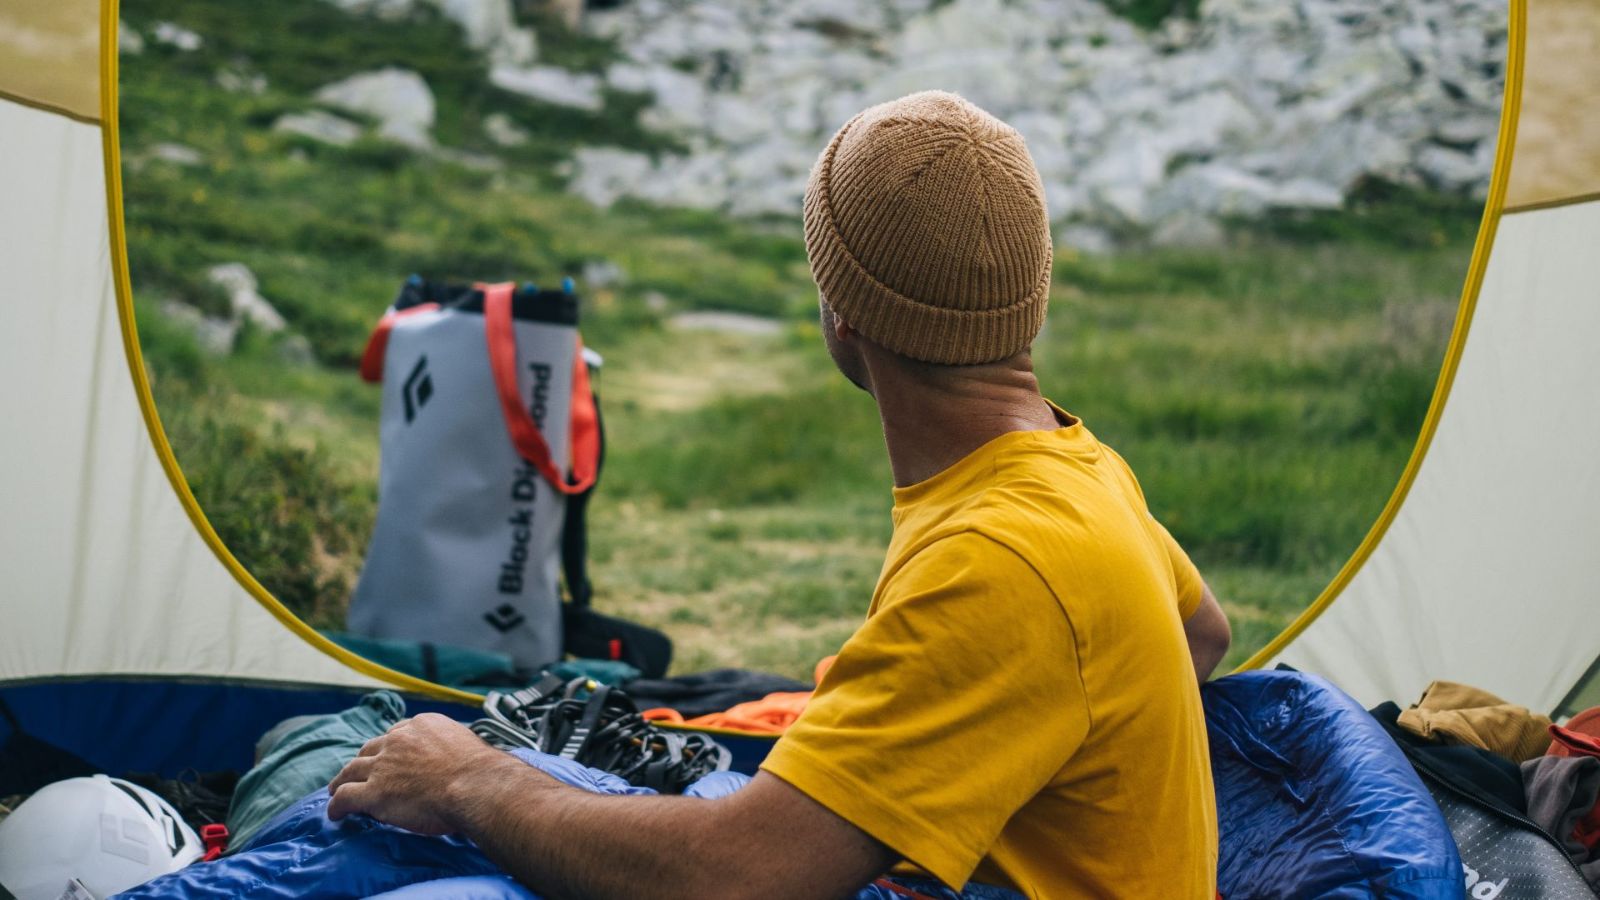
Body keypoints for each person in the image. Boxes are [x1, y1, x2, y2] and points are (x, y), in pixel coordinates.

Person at [328, 90, 1229, 899]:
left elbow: (737, 878)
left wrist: (468, 779)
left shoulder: (998, 561)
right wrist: (976, 740)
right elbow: (1201, 635)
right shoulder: (1079, 467)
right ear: (1027, 299)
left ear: (844, 311)